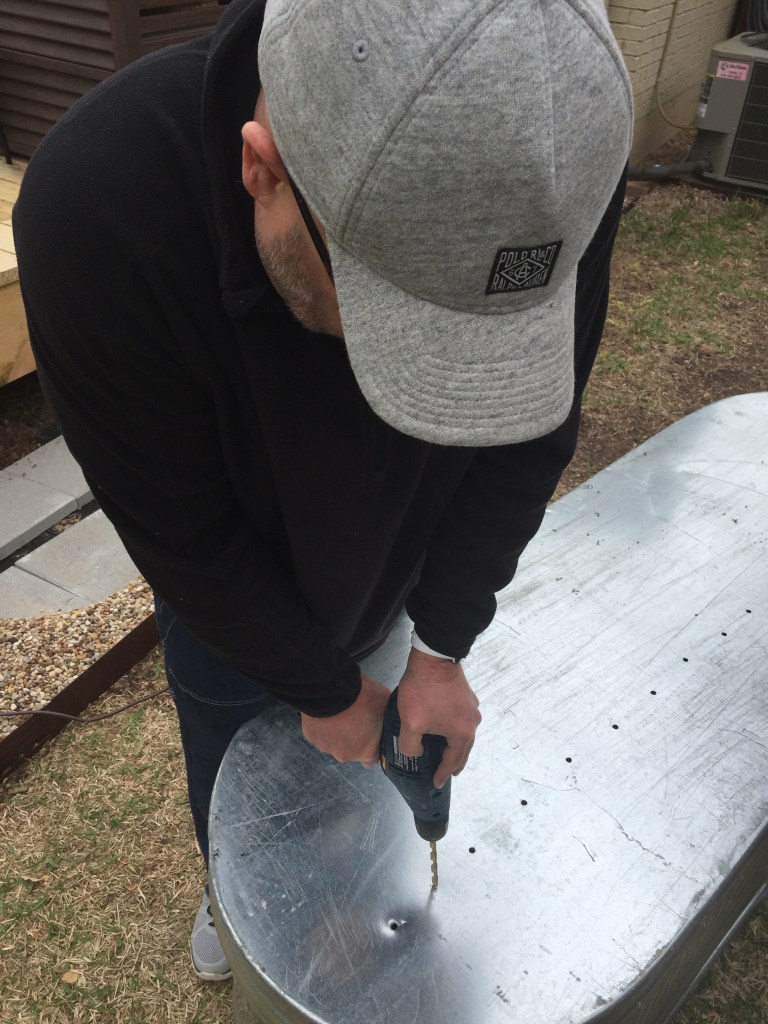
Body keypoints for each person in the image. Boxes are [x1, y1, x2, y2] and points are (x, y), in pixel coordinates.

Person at [13, 0, 633, 983]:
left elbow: (533, 430)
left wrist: (440, 646)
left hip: (401, 560)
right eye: (389, 321)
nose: (426, 386)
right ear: (260, 168)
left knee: (363, 737)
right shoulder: (99, 208)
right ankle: (242, 891)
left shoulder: (561, 152)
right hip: (235, 579)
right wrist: (322, 687)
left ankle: (350, 864)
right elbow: (181, 529)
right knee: (230, 733)